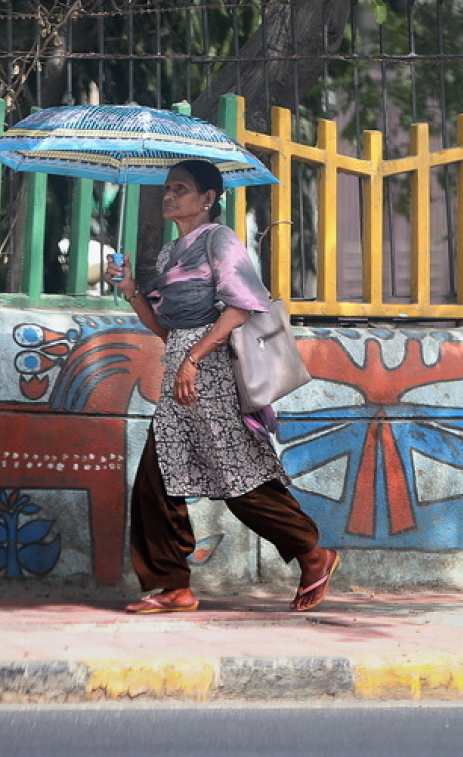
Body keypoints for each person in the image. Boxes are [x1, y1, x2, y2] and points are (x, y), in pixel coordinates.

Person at [104, 159, 339, 614]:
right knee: (157, 480)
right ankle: (172, 585)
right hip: (181, 373)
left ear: (208, 199)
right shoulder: (170, 255)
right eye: (167, 188)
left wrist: (193, 360)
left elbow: (242, 306)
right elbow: (165, 329)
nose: (169, 195)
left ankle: (312, 553)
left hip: (209, 373)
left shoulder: (220, 241)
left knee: (239, 479)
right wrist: (133, 289)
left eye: (181, 188)